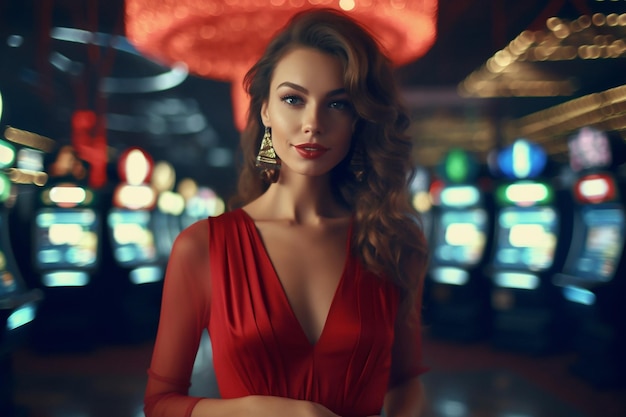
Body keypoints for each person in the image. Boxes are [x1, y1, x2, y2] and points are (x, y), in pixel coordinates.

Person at [144, 7, 430, 417]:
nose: (312, 123)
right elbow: (159, 403)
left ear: (360, 118)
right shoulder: (201, 247)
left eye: (338, 104)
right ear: (264, 110)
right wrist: (270, 412)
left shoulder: (394, 239)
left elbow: (406, 383)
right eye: (293, 99)